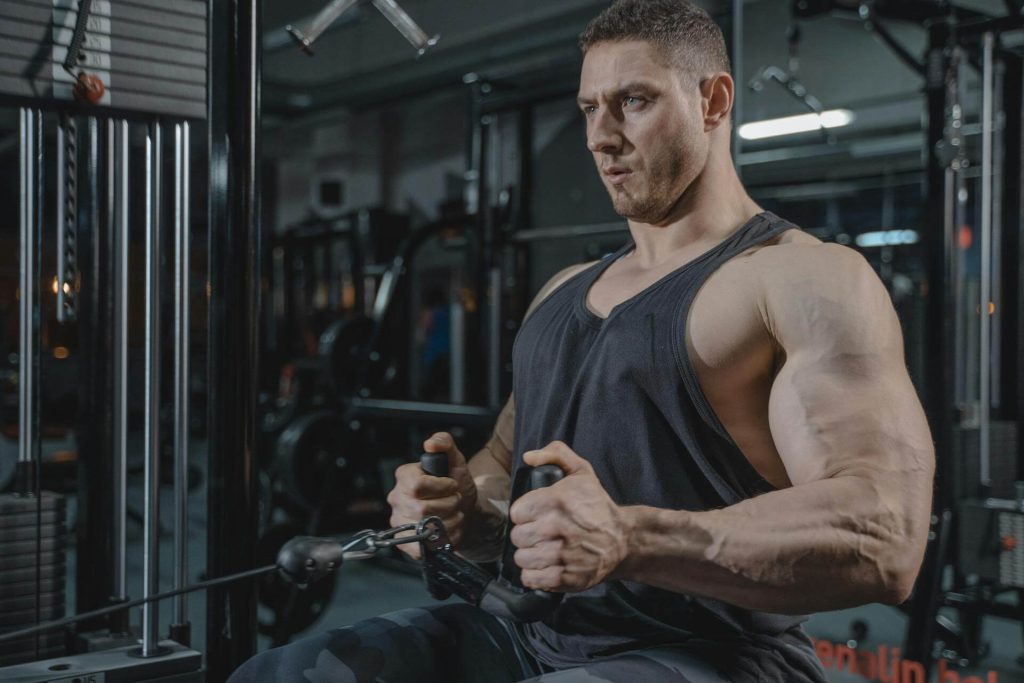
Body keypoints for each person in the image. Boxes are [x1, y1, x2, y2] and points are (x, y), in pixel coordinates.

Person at [228, 0, 935, 680]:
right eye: (590, 109)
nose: (600, 136)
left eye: (633, 101)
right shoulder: (561, 291)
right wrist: (467, 515)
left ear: (713, 102)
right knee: (279, 672)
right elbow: (506, 458)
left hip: (709, 655)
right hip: (527, 631)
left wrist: (632, 538)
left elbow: (884, 534)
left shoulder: (801, 279)